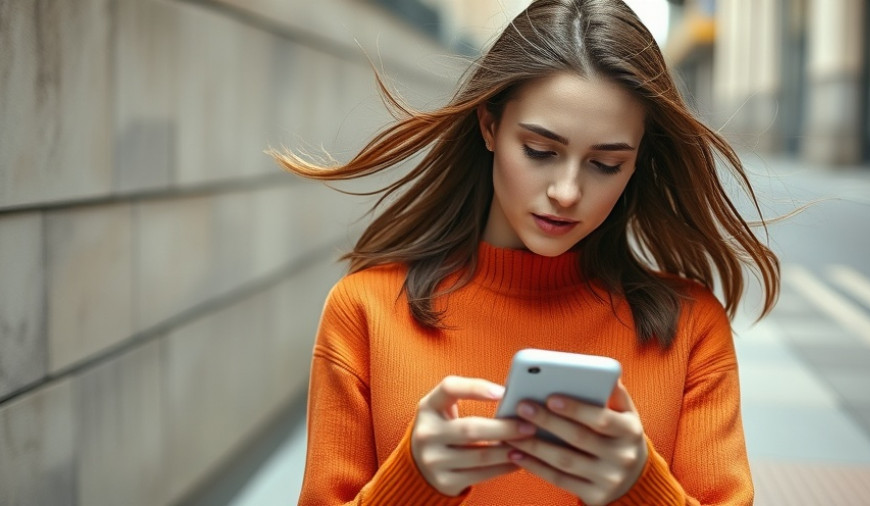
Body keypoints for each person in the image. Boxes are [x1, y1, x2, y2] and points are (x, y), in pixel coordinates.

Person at [271, 0, 778, 504]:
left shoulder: (690, 329)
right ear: (489, 126)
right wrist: (412, 482)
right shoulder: (366, 310)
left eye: (605, 164)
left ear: (638, 163)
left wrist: (639, 488)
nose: (566, 191)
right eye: (540, 151)